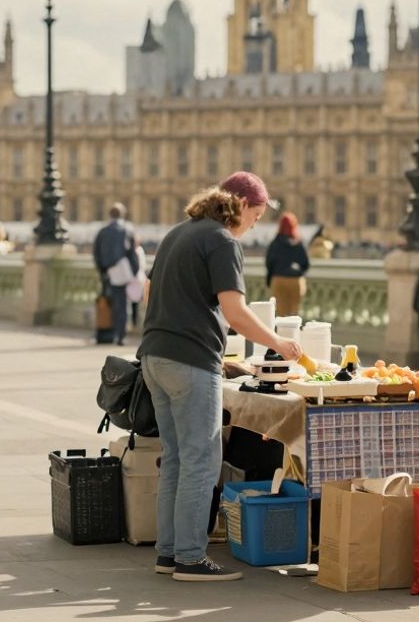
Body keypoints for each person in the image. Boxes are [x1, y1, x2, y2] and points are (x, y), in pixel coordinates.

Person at [139, 172, 302, 582]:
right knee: (201, 462)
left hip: (155, 356)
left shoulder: (179, 232)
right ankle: (191, 559)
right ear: (242, 206)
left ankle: (169, 552)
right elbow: (235, 313)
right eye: (257, 214)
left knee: (176, 459)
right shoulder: (222, 241)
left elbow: (147, 293)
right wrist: (279, 344)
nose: (255, 225)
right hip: (191, 362)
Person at [93, 203, 139, 346]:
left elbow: (96, 253)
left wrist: (102, 271)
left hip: (107, 272)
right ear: (122, 215)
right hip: (122, 273)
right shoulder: (127, 230)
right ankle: (120, 335)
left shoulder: (102, 231)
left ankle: (105, 333)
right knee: (121, 304)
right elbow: (132, 254)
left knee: (106, 302)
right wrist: (135, 271)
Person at [265, 212, 310, 316]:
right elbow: (306, 263)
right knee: (294, 314)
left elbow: (269, 263)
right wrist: (298, 271)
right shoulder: (298, 243)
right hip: (296, 280)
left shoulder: (275, 243)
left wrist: (270, 278)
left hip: (278, 279)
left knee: (281, 314)